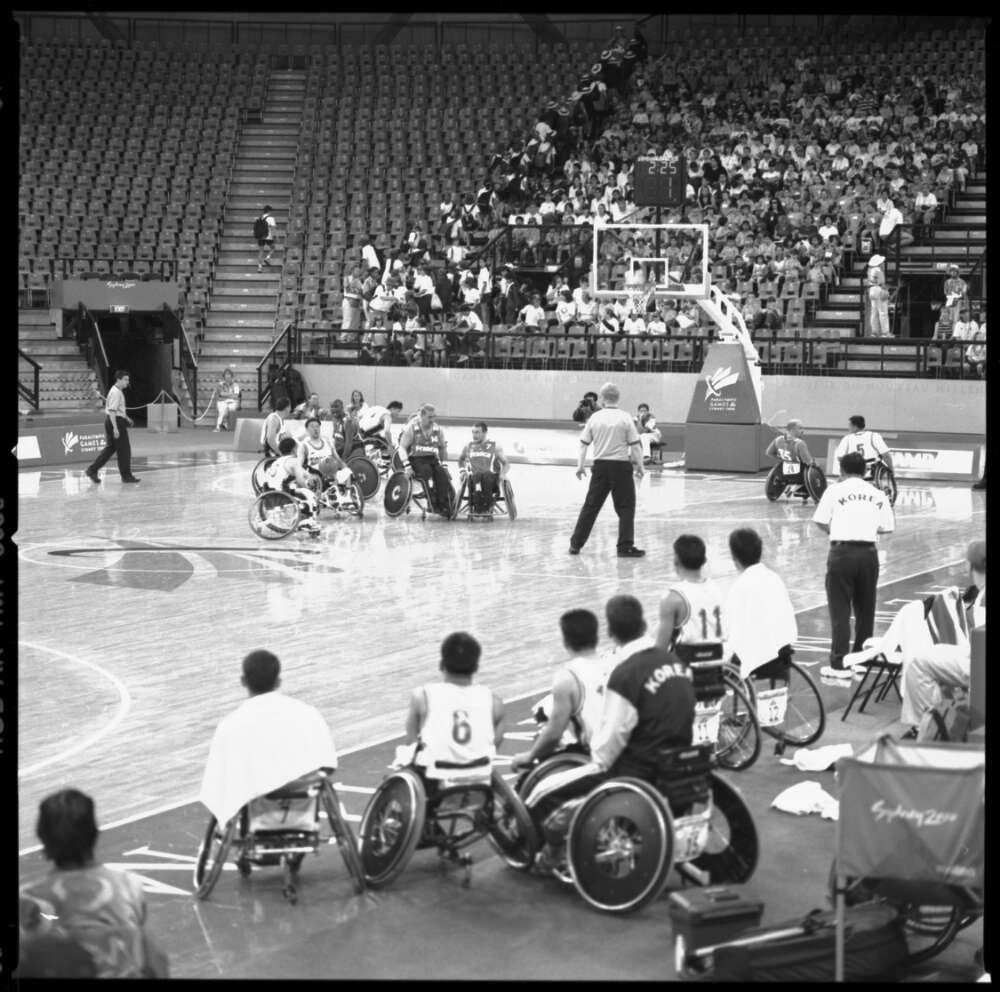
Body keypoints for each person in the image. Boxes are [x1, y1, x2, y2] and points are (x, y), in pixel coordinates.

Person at [524, 596, 695, 874]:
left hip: (638, 770)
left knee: (541, 793)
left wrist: (597, 760)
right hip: (682, 759)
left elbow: (611, 740)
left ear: (611, 633)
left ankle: (551, 854)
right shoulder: (675, 662)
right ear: (644, 624)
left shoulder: (625, 673)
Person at [19, 789, 169, 978]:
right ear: (94, 834)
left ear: (43, 838)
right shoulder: (128, 886)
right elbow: (155, 960)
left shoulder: (28, 901)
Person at [199, 650, 339, 832]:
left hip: (256, 803)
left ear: (243, 681)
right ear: (278, 681)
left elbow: (219, 778)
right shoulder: (308, 713)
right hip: (300, 800)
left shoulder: (230, 724)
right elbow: (327, 763)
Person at [884, 541, 985, 737]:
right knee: (933, 656)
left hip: (980, 662)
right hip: (977, 655)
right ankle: (936, 722)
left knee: (918, 662)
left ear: (969, 566)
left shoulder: (984, 598)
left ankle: (925, 727)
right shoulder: (981, 594)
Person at [812, 451, 896, 681]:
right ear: (866, 471)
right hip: (869, 554)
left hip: (841, 553)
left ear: (842, 470)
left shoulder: (834, 490)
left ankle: (839, 662)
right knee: (866, 607)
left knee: (840, 610)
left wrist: (836, 531)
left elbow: (819, 519)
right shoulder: (877, 493)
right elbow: (888, 527)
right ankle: (862, 658)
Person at [405, 632, 505, 788]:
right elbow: (493, 746)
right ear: (476, 667)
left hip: (434, 781)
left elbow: (411, 742)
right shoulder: (495, 702)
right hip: (479, 781)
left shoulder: (422, 696)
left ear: (441, 664)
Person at [511, 609, 607, 771]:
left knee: (541, 792)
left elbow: (554, 735)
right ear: (597, 636)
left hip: (602, 760)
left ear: (565, 641)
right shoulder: (616, 662)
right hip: (632, 748)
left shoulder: (567, 677)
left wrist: (530, 755)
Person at [569, 382, 645, 558]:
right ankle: (625, 546)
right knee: (626, 507)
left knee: (591, 506)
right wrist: (640, 466)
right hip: (620, 466)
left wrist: (580, 466)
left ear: (602, 399)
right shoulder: (625, 418)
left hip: (601, 467)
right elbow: (635, 446)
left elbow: (583, 445)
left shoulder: (595, 418)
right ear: (618, 398)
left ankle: (575, 545)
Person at [724, 528, 798, 679]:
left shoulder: (739, 588)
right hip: (783, 655)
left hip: (757, 662)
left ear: (734, 557)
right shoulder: (774, 578)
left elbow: (733, 635)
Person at [655, 534, 726, 662]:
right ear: (704, 560)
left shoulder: (673, 597)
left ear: (676, 560)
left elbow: (660, 648)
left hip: (685, 664)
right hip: (717, 658)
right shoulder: (717, 590)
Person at [396, 403, 455, 515]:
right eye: (430, 417)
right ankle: (430, 499)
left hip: (432, 459)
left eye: (434, 417)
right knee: (426, 471)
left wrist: (444, 464)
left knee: (442, 474)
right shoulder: (411, 427)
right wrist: (407, 466)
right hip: (416, 459)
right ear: (422, 416)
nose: (432, 420)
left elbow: (442, 447)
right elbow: (402, 448)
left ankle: (442, 504)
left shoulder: (438, 429)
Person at [85, 369, 140, 484]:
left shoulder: (116, 391)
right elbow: (112, 411)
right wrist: (115, 427)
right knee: (124, 450)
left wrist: (126, 417)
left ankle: (92, 470)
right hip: (115, 422)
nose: (127, 382)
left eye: (128, 380)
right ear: (118, 380)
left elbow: (116, 409)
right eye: (125, 380)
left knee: (110, 449)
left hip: (113, 421)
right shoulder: (116, 392)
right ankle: (126, 476)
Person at [262, 436, 321, 534]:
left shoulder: (277, 461)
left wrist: (308, 476)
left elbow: (301, 473)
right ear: (294, 448)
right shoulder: (294, 461)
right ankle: (307, 522)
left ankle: (301, 519)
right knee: (308, 494)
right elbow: (300, 480)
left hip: (267, 495)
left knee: (298, 491)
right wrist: (309, 489)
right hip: (282, 496)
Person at [457, 421, 509, 514]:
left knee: (486, 474)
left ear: (485, 432)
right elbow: (461, 460)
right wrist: (462, 471)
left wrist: (503, 474)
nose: (474, 435)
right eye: (473, 432)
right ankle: (480, 508)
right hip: (474, 480)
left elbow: (506, 464)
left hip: (490, 480)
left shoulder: (495, 446)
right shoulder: (468, 446)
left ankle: (485, 507)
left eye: (477, 432)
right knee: (477, 475)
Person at [299, 417, 353, 493]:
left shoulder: (328, 442)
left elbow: (338, 459)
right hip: (316, 475)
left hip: (331, 471)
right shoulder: (304, 445)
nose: (315, 429)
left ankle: (348, 495)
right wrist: (307, 476)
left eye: (317, 426)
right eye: (312, 426)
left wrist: (343, 465)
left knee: (347, 471)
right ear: (307, 430)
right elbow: (299, 466)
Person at [765, 418, 815, 497]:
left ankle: (792, 488)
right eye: (800, 428)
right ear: (792, 430)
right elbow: (809, 462)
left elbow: (769, 453)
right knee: (812, 467)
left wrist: (782, 458)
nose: (803, 430)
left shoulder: (778, 440)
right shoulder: (799, 443)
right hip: (799, 475)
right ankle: (795, 489)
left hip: (783, 475)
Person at [214, 368, 241, 432]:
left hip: (232, 401)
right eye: (226, 374)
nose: (228, 376)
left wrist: (226, 394)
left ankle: (228, 424)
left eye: (229, 374)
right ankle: (218, 426)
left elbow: (236, 395)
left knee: (231, 408)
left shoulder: (236, 385)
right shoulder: (220, 384)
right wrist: (231, 394)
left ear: (231, 376)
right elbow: (221, 393)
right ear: (224, 376)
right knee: (222, 411)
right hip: (222, 401)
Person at [255, 204, 277, 272]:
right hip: (268, 236)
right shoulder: (271, 218)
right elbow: (273, 228)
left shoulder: (260, 218)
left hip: (260, 236)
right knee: (273, 248)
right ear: (269, 211)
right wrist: (276, 236)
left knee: (261, 251)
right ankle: (267, 258)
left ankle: (259, 267)